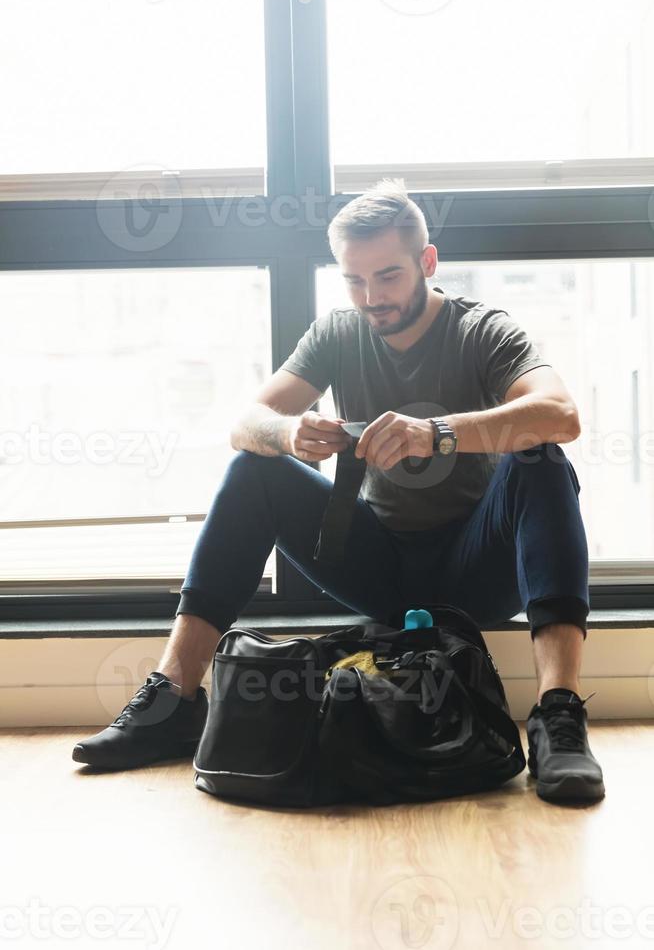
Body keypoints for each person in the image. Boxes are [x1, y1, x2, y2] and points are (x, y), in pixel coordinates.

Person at [72, 179, 604, 805]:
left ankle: (558, 718)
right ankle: (173, 701)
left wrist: (437, 433)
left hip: (471, 572)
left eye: (388, 276)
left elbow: (561, 413)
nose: (372, 297)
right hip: (376, 565)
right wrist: (290, 431)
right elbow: (246, 422)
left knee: (540, 457)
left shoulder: (480, 330)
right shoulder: (338, 334)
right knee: (254, 467)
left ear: (427, 263)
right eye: (355, 281)